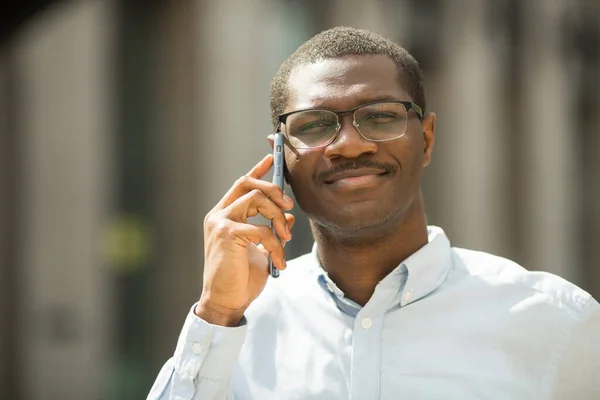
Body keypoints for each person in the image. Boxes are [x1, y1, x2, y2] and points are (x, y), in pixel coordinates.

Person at [147, 27, 600, 399]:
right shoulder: (233, 331)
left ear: (426, 139)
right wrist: (217, 314)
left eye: (381, 117)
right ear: (282, 156)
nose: (350, 144)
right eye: (316, 124)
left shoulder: (558, 325)